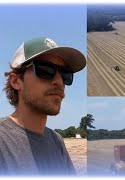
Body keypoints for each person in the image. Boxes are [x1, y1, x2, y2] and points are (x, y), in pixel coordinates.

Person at [0, 37, 86, 175]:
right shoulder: (3, 142)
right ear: (16, 81)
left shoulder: (56, 141)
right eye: (45, 69)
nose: (59, 81)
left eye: (65, 74)